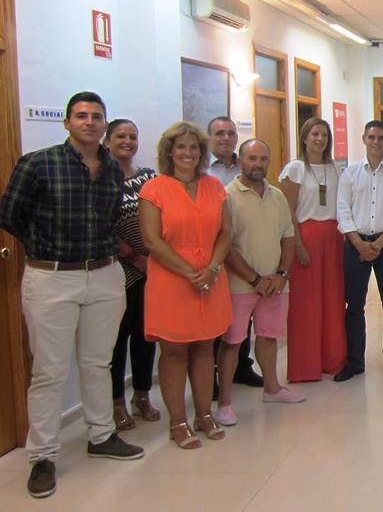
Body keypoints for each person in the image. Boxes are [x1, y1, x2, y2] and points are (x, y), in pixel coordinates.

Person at [0, 92, 144, 499]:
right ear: (67, 122)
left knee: (98, 362)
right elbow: (9, 214)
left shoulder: (113, 171)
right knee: (49, 371)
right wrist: (45, 245)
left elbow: (112, 217)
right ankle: (42, 455)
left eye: (97, 116)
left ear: (104, 124)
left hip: (103, 276)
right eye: (81, 116)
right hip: (52, 278)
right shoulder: (38, 163)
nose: (89, 122)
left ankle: (101, 436)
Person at [140, 121, 232, 450]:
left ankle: (204, 414)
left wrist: (212, 268)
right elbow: (151, 239)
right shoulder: (154, 189)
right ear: (169, 152)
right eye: (181, 147)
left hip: (211, 276)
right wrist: (191, 273)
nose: (188, 153)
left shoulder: (214, 187)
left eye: (194, 147)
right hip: (172, 280)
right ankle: (177, 421)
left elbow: (226, 232)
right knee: (175, 352)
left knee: (206, 348)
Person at [216, 140, 304, 426]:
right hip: (240, 285)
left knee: (269, 337)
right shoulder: (226, 196)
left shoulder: (277, 196)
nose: (258, 164)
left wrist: (281, 274)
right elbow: (225, 246)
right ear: (240, 161)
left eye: (263, 159)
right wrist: (254, 278)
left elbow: (288, 238)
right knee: (232, 342)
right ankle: (225, 403)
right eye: (252, 158)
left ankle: (272, 388)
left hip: (275, 284)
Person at [334, 121, 383, 382]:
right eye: (371, 137)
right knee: (354, 306)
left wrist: (376, 245)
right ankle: (355, 362)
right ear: (363, 139)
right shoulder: (350, 175)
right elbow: (343, 212)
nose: (376, 142)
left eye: (380, 137)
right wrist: (359, 244)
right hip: (355, 245)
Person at [279, 118, 347, 382]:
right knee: (305, 304)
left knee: (333, 299)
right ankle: (305, 366)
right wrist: (297, 245)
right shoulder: (295, 169)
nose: (320, 139)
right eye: (315, 134)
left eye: (324, 135)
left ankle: (333, 360)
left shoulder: (335, 169)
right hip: (305, 236)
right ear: (305, 137)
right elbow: (288, 212)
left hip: (333, 236)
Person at [104, 119, 160, 430]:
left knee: (145, 335)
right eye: (120, 136)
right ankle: (116, 402)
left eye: (133, 136)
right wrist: (135, 257)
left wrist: (154, 258)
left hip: (153, 269)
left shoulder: (149, 178)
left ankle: (142, 395)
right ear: (108, 141)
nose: (127, 141)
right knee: (117, 339)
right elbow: (101, 225)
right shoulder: (99, 177)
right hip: (118, 270)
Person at [208, 116, 262, 388]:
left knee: (244, 314)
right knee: (217, 318)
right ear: (209, 138)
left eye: (230, 133)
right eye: (219, 133)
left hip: (244, 249)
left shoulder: (245, 167)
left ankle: (242, 366)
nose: (225, 138)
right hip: (213, 252)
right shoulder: (202, 171)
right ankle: (214, 376)